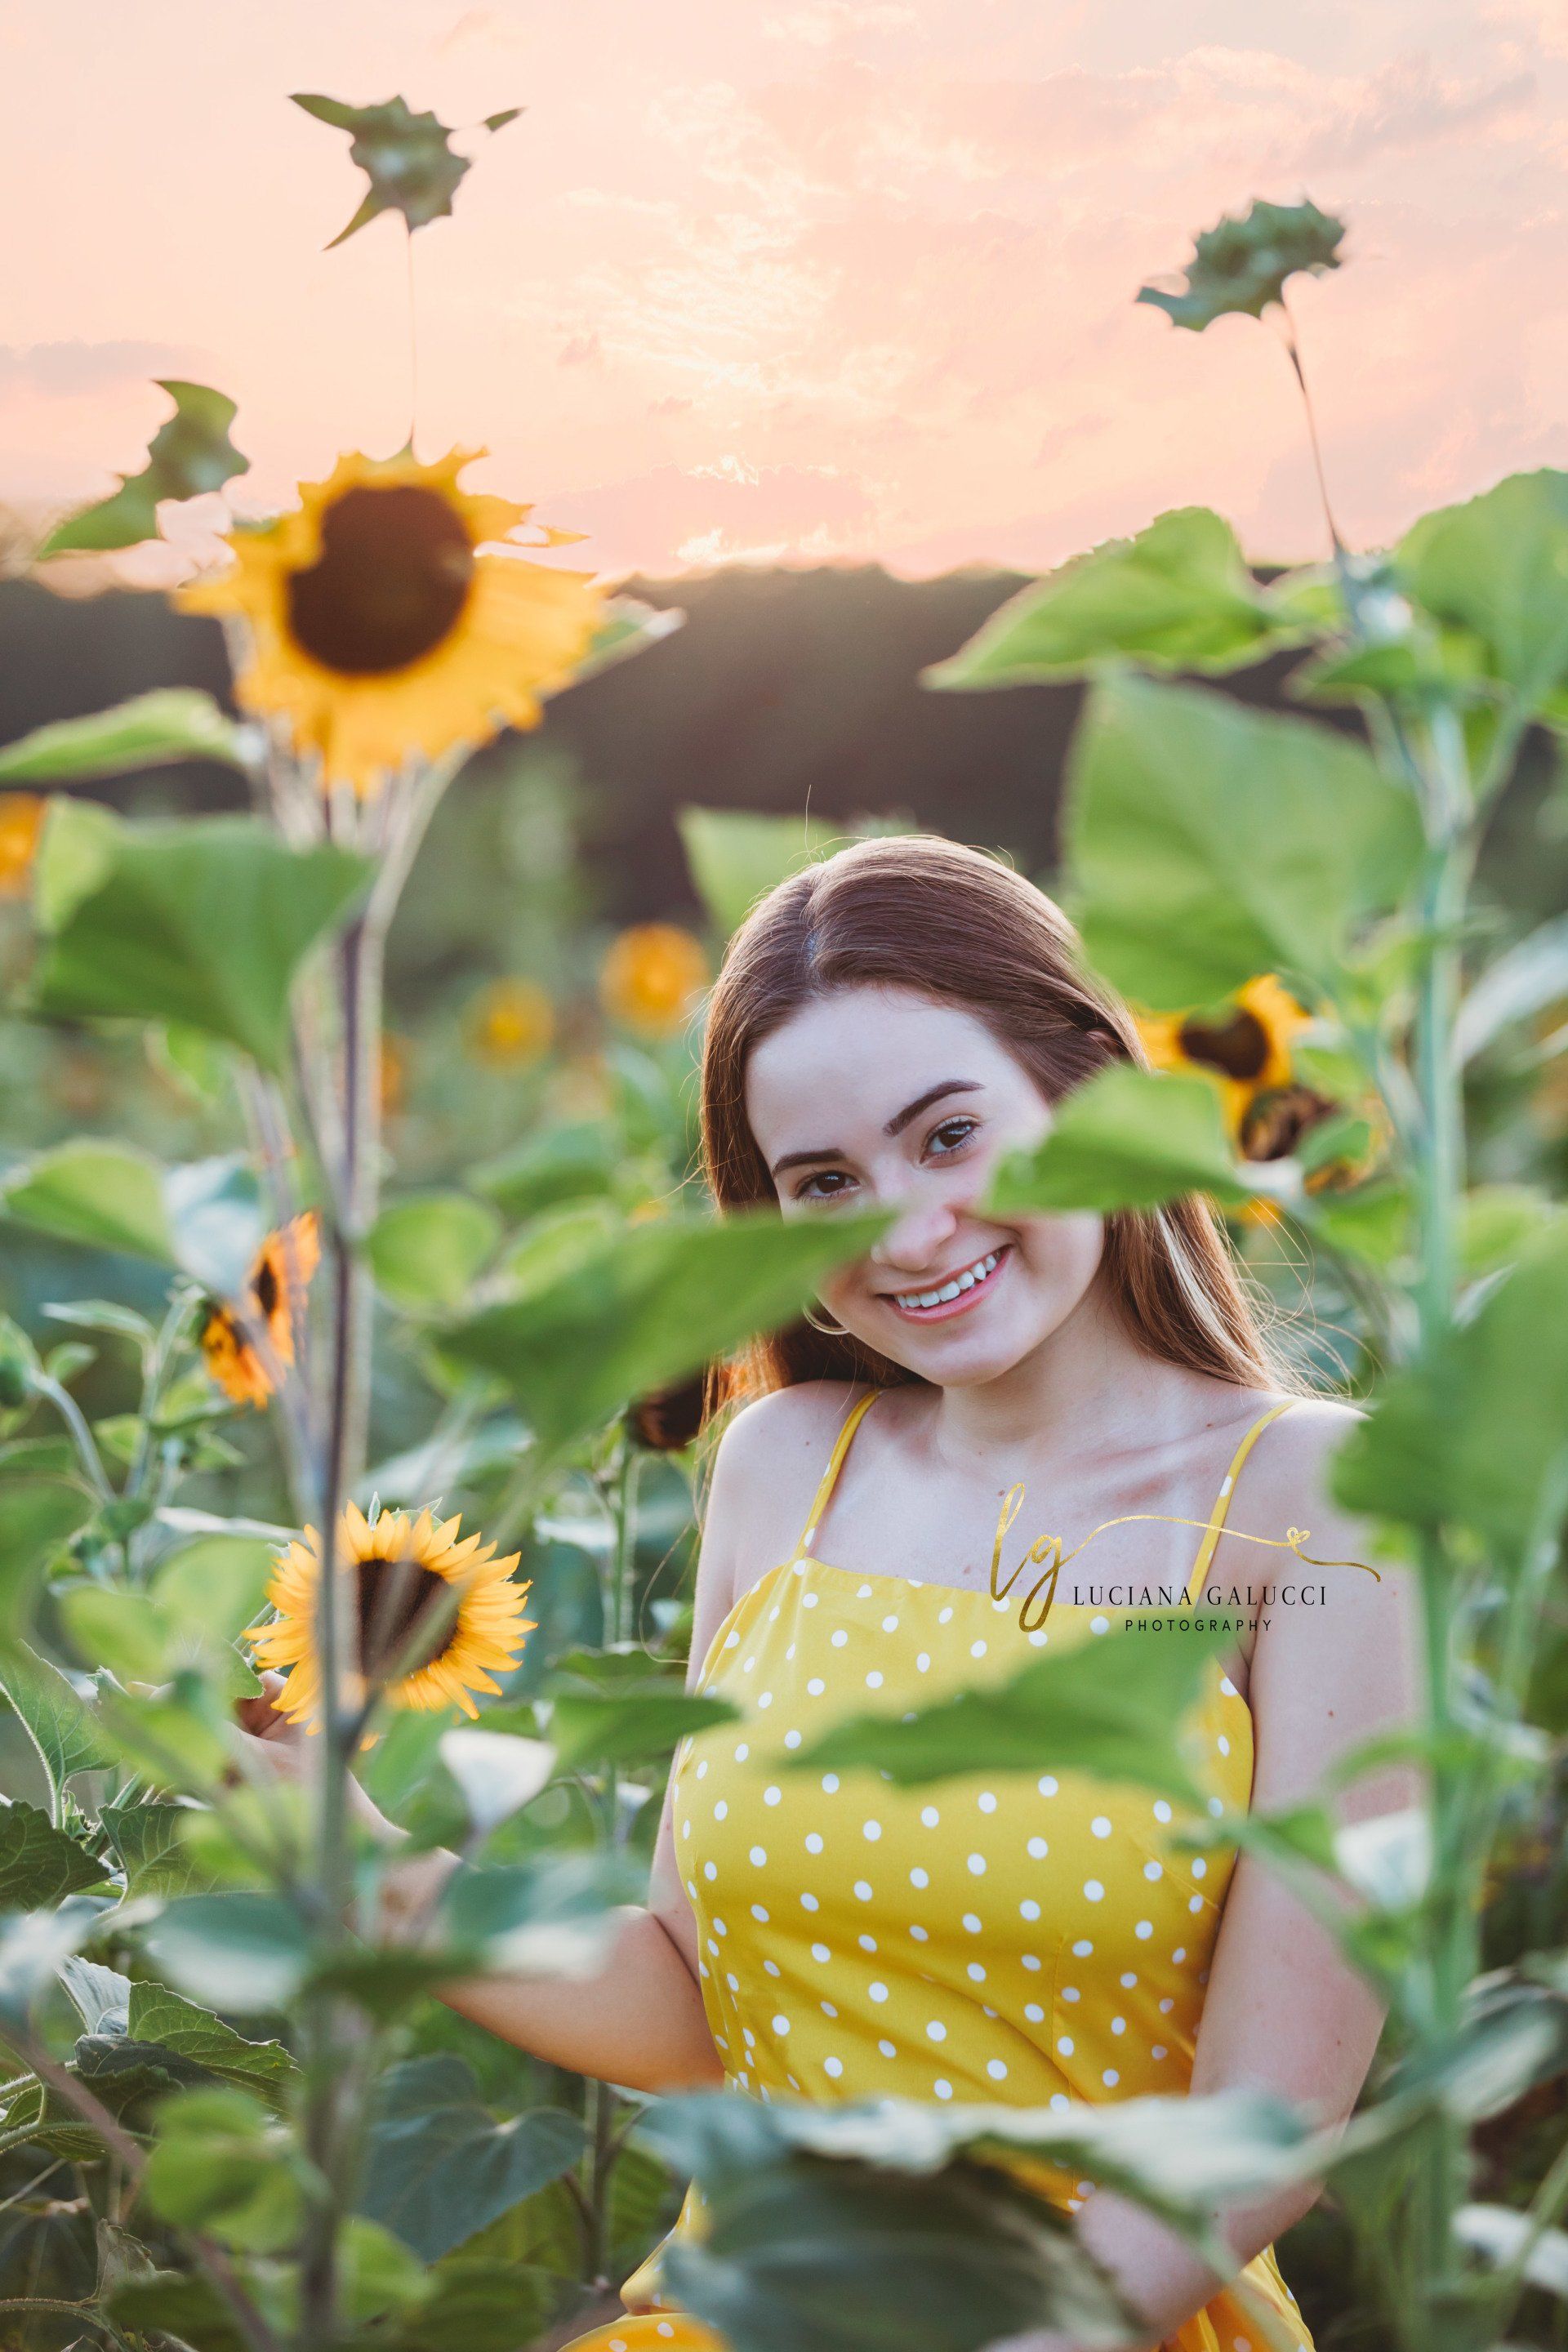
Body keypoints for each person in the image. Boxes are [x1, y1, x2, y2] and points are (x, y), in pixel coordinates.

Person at [243, 835, 1415, 2352]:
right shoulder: (787, 1465)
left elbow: (1271, 2118)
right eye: (826, 1184)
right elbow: (691, 2009)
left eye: (951, 1137)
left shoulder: (1307, 1501)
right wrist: (354, 1852)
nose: (907, 1232)